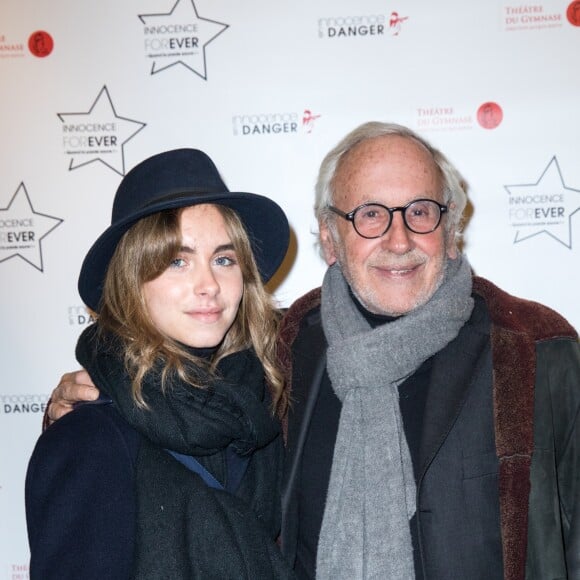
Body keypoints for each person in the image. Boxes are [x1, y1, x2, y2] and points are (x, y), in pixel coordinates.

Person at [46, 123, 580, 579]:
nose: (398, 240)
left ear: (450, 226)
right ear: (328, 236)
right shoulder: (287, 353)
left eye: (420, 210)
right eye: (370, 214)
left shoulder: (537, 350)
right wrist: (77, 414)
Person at [26, 148, 296, 579]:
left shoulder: (262, 413)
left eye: (224, 260)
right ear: (132, 279)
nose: (208, 284)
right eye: (177, 261)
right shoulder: (88, 437)